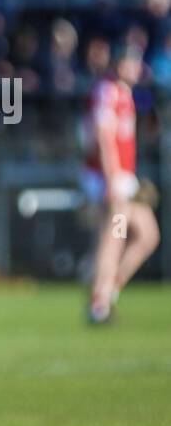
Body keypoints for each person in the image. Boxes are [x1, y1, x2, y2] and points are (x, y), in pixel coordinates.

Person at [81, 48, 160, 324]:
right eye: (131, 61)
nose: (137, 67)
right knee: (114, 238)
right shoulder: (107, 90)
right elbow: (104, 138)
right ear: (118, 63)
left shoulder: (124, 92)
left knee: (148, 235)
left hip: (125, 177)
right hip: (109, 176)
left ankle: (109, 288)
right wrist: (112, 178)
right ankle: (98, 303)